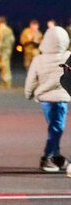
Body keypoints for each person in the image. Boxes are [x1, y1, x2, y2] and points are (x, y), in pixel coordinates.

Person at [23, 26, 69, 173]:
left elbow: (31, 79)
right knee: (56, 128)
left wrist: (29, 93)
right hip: (60, 98)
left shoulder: (38, 59)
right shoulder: (67, 56)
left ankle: (56, 155)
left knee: (53, 127)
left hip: (44, 100)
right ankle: (47, 157)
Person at [0, 16, 15, 88]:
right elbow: (12, 40)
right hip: (8, 50)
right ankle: (7, 83)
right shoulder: (9, 29)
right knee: (7, 66)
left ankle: (5, 83)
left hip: (3, 51)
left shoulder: (1, 30)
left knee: (3, 66)